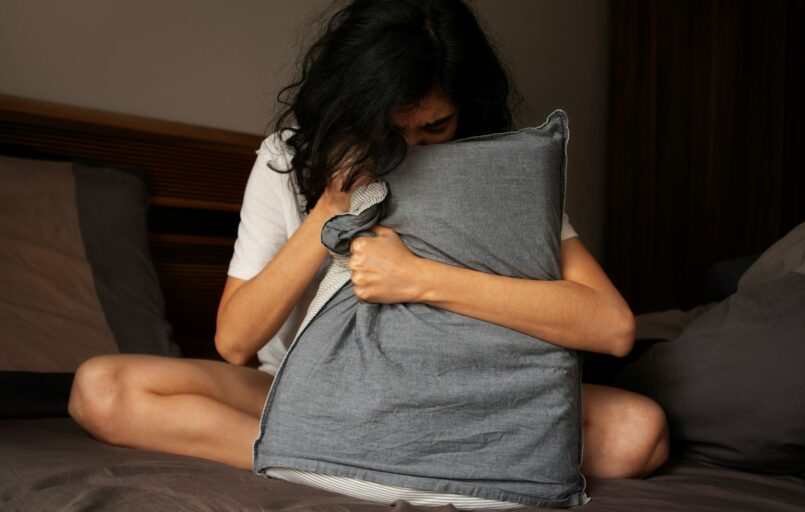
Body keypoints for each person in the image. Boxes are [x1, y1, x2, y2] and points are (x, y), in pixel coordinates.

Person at [68, 0, 669, 506]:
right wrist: (329, 208)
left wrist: (420, 279)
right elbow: (234, 342)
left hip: (463, 392)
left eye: (435, 127)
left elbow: (611, 328)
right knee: (101, 389)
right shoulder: (288, 157)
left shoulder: (502, 176)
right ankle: (364, 461)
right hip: (306, 391)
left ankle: (349, 463)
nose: (410, 148)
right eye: (390, 127)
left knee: (639, 432)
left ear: (467, 108)